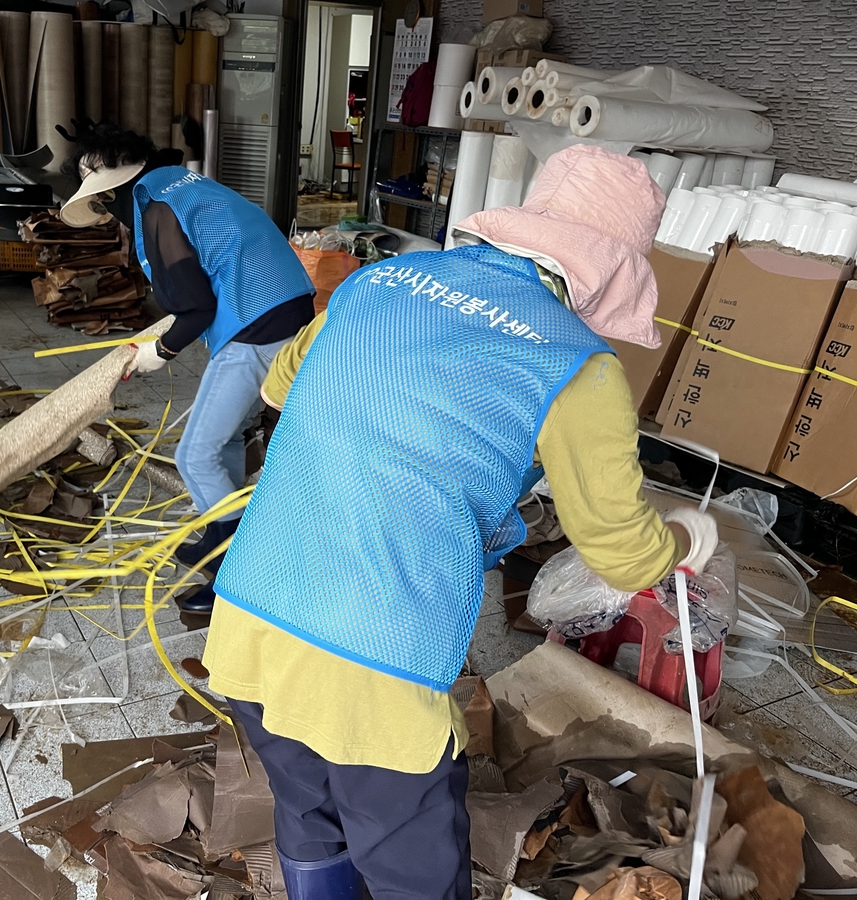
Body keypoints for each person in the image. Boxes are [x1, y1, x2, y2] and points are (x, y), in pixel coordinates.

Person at [199, 145, 720, 900]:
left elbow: (282, 388)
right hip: (374, 657)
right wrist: (687, 540)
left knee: (308, 811)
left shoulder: (377, 281)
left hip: (254, 608)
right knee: (411, 864)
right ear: (609, 268)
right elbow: (623, 550)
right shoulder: (578, 363)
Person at [59, 123, 316, 612]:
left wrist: (161, 351)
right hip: (287, 308)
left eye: (102, 203)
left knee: (194, 457)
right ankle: (221, 536)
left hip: (256, 326)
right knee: (230, 438)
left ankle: (233, 573)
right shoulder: (182, 183)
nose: (107, 213)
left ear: (112, 190)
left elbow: (194, 307)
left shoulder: (156, 209)